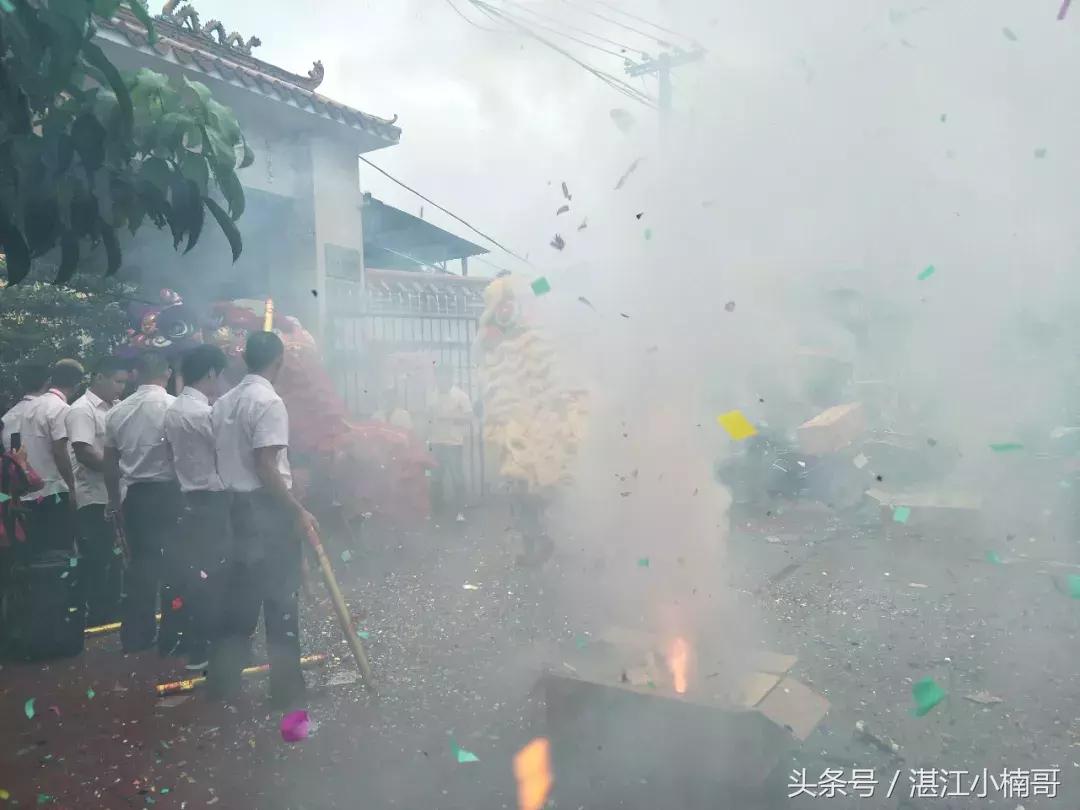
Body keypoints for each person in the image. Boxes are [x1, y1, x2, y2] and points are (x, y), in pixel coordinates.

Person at [210, 331, 317, 707]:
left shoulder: (223, 402)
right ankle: (287, 693)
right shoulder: (268, 401)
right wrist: (295, 508)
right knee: (280, 601)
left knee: (239, 600)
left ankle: (222, 684)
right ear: (280, 360)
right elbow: (266, 466)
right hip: (265, 510)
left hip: (233, 507)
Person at [104, 352, 181, 655]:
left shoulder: (117, 412)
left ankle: (136, 636)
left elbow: (111, 463)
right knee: (176, 564)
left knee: (141, 568)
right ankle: (172, 635)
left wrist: (114, 501)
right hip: (171, 494)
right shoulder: (175, 408)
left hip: (135, 497)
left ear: (137, 374)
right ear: (167, 373)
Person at [163, 344, 229, 670]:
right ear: (212, 373)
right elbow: (226, 453)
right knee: (216, 577)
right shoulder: (204, 414)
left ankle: (195, 646)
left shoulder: (174, 410)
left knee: (195, 575)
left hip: (187, 498)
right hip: (213, 502)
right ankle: (209, 651)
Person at [66, 357, 129, 627]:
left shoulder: (117, 408)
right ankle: (96, 611)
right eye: (118, 381)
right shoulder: (82, 409)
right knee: (99, 556)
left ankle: (111, 607)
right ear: (99, 377)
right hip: (94, 497)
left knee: (116, 555)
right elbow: (84, 452)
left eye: (124, 382)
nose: (121, 388)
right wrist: (118, 469)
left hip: (115, 494)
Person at [21, 359, 83, 553]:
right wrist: (73, 488)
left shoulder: (30, 407)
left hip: (31, 491)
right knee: (60, 551)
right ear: (77, 384)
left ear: (51, 379)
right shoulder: (62, 409)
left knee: (39, 552)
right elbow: (60, 450)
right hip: (55, 492)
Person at [427, 365, 473, 522]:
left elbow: (469, 417)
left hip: (454, 443)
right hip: (436, 441)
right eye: (439, 376)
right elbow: (429, 417)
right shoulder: (431, 395)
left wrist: (450, 418)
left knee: (457, 478)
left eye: (444, 376)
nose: (441, 380)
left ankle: (461, 511)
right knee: (436, 477)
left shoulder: (461, 396)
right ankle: (437, 510)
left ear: (450, 377)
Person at [1, 363, 50, 451]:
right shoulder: (53, 411)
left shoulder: (6, 418)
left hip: (16, 463)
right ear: (47, 383)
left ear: (20, 385)